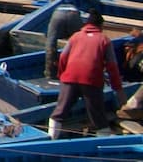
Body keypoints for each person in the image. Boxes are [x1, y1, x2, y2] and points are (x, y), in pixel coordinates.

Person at [48, 10, 126, 138]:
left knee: (59, 114)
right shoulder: (104, 40)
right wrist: (117, 89)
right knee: (99, 118)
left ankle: (50, 140)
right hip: (91, 81)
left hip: (70, 79)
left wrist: (62, 75)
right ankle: (103, 145)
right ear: (101, 26)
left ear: (86, 24)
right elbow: (112, 67)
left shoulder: (75, 37)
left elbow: (63, 57)